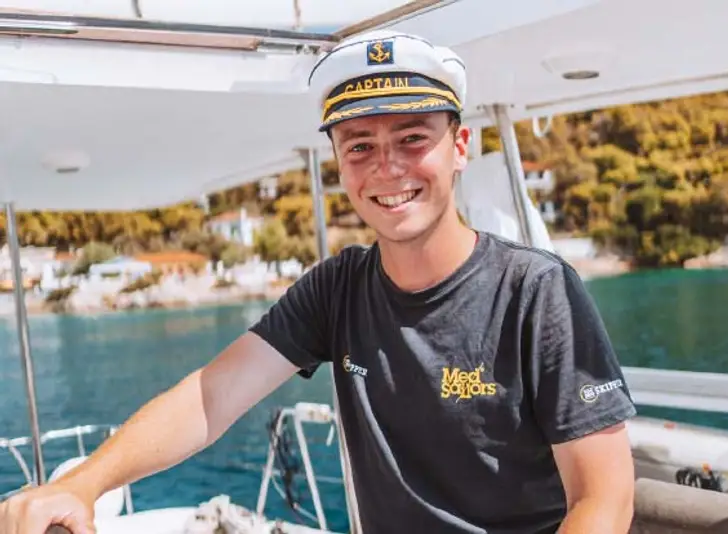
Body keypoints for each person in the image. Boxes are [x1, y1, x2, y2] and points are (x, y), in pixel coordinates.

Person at [0, 30, 636, 534]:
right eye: (359, 147)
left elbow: (603, 499)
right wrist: (83, 483)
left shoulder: (536, 290)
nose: (387, 168)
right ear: (338, 161)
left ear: (460, 146)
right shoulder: (338, 288)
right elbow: (211, 397)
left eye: (413, 138)